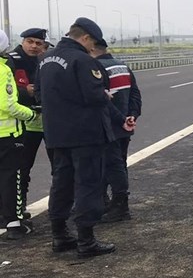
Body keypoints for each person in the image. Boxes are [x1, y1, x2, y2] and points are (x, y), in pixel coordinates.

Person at [36, 18, 119, 257]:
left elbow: (39, 95)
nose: (93, 48)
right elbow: (94, 96)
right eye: (92, 43)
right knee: (88, 184)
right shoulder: (82, 60)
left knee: (61, 183)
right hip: (85, 134)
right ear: (85, 38)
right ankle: (86, 240)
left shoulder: (44, 60)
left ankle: (59, 235)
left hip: (56, 134)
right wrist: (105, 96)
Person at [90, 38, 141, 222]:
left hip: (107, 126)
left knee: (109, 165)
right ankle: (112, 203)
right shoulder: (122, 66)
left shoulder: (95, 68)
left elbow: (100, 100)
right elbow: (135, 95)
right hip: (125, 124)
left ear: (92, 48)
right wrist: (132, 115)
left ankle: (118, 206)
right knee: (119, 164)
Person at [5, 27, 48, 216]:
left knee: (61, 164)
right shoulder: (11, 60)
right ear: (22, 41)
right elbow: (7, 91)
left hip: (46, 118)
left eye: (38, 43)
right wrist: (26, 92)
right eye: (30, 41)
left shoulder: (45, 59)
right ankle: (18, 208)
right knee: (22, 167)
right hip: (24, 121)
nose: (34, 46)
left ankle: (63, 203)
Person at [0, 30, 39, 240]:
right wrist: (30, 114)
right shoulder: (3, 69)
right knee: (12, 177)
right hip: (7, 134)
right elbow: (9, 105)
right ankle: (14, 223)